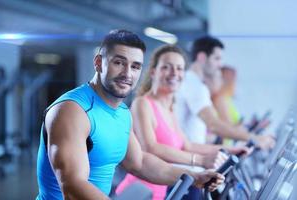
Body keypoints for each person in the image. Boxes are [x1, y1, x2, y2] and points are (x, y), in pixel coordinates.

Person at [36, 30, 225, 200]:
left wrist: (194, 177)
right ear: (98, 62)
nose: (127, 73)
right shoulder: (73, 111)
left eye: (135, 66)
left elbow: (140, 163)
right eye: (119, 62)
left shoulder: (122, 113)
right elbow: (73, 186)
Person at [116, 45, 249, 200]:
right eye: (167, 67)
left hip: (161, 192)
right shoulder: (142, 103)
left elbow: (188, 145)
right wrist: (200, 161)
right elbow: (150, 147)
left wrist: (230, 150)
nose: (174, 73)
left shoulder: (170, 109)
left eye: (179, 68)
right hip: (139, 193)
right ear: (153, 72)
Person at [174, 36, 275, 149]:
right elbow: (213, 125)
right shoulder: (194, 86)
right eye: (217, 58)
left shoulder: (191, 82)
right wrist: (254, 138)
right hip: (188, 161)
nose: (220, 65)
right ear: (202, 57)